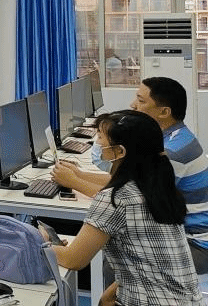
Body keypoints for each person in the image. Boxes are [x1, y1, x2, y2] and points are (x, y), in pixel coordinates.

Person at [53, 76, 208, 274]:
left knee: (110, 260)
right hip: (179, 233)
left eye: (141, 101)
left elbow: (124, 195)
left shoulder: (171, 154)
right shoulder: (170, 139)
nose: (133, 105)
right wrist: (80, 175)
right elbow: (126, 182)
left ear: (164, 112)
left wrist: (75, 182)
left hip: (194, 243)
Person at [45, 110, 200, 306]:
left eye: (100, 137)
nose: (97, 143)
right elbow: (146, 258)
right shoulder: (157, 187)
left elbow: (73, 260)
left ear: (119, 151)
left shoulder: (116, 199)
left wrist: (39, 244)